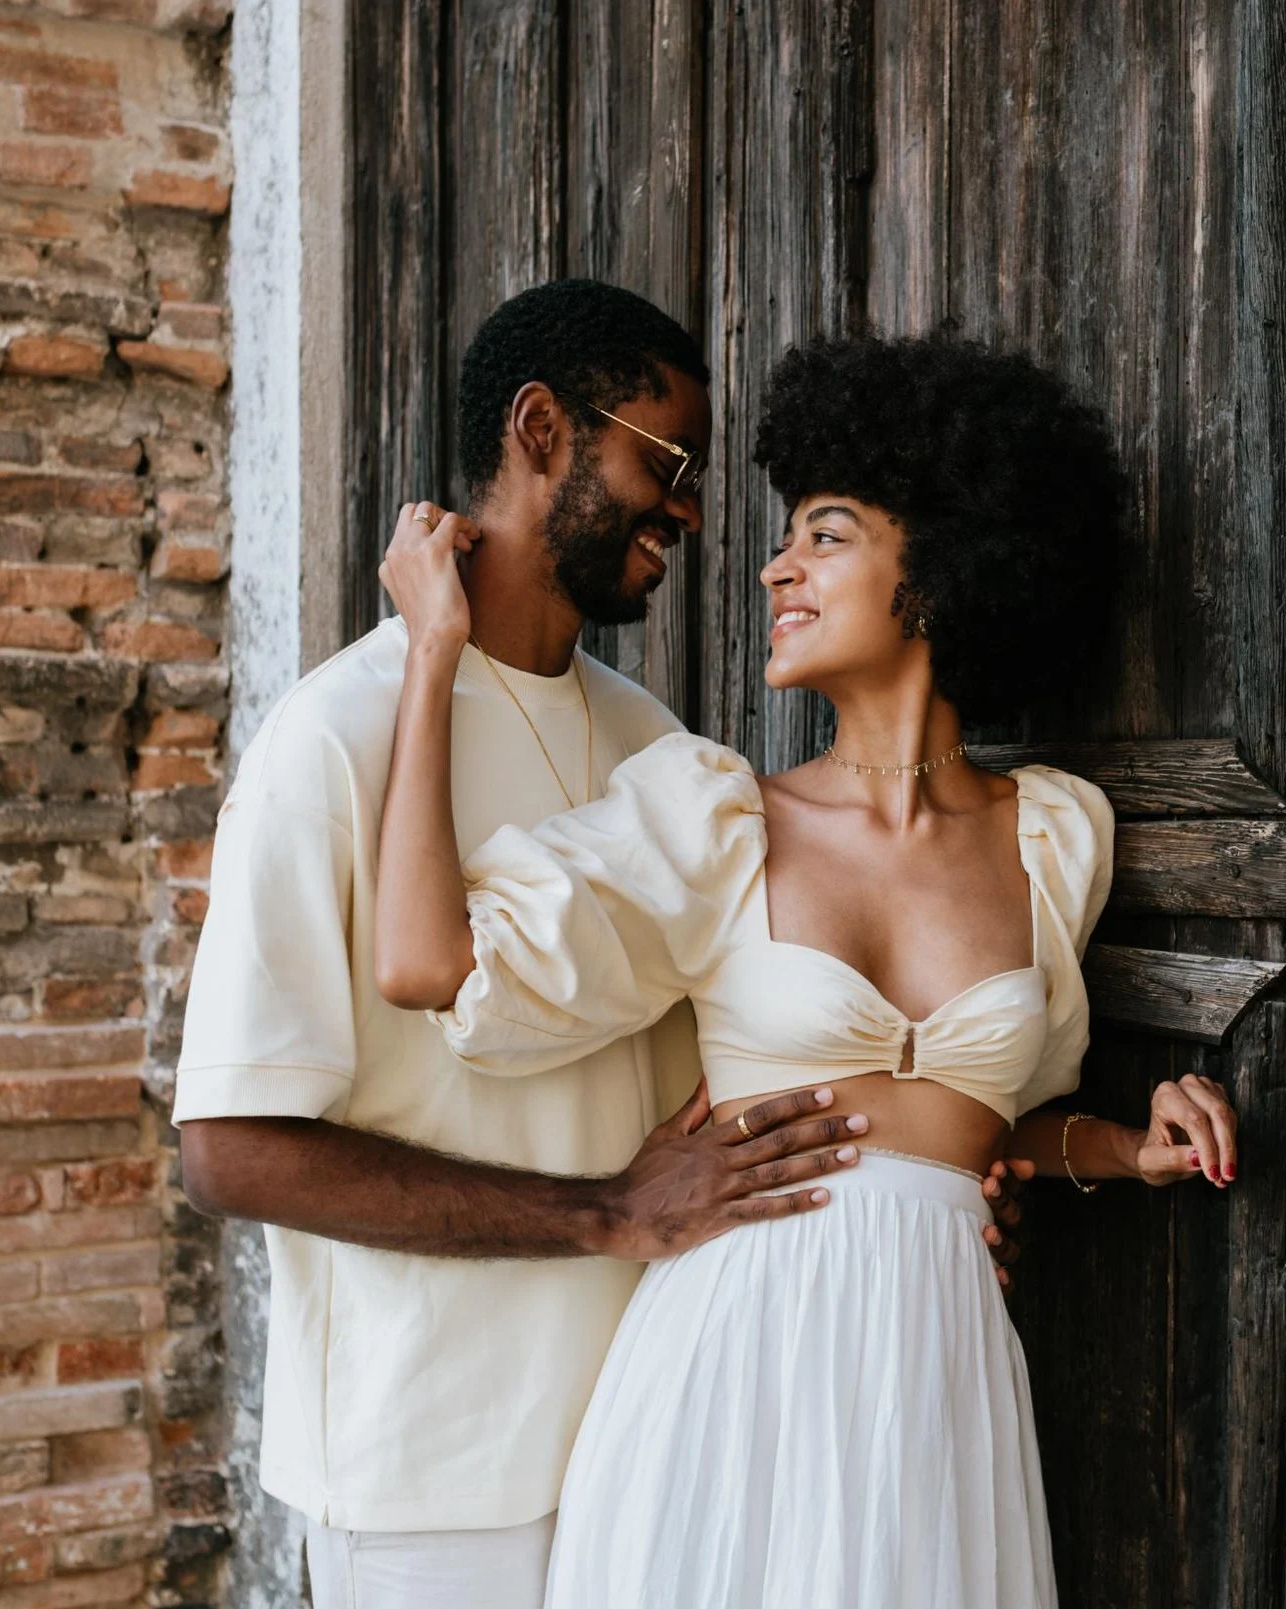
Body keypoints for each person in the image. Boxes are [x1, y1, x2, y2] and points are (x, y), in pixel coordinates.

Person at [374, 330, 1240, 1609]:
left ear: (941, 566)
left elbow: (984, 1131)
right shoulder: (716, 820)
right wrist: (431, 648)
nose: (775, 566)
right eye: (787, 540)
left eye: (824, 537)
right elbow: (423, 964)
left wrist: (1133, 1145)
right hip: (727, 1369)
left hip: (932, 1388)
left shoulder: (1054, 841)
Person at [173, 282, 960, 1609]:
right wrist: (603, 1213)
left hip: (661, 1438)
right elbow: (230, 1149)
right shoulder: (335, 740)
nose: (692, 512)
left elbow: (743, 1071)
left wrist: (937, 1196)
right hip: (434, 1485)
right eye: (667, 463)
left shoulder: (658, 746)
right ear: (541, 430)